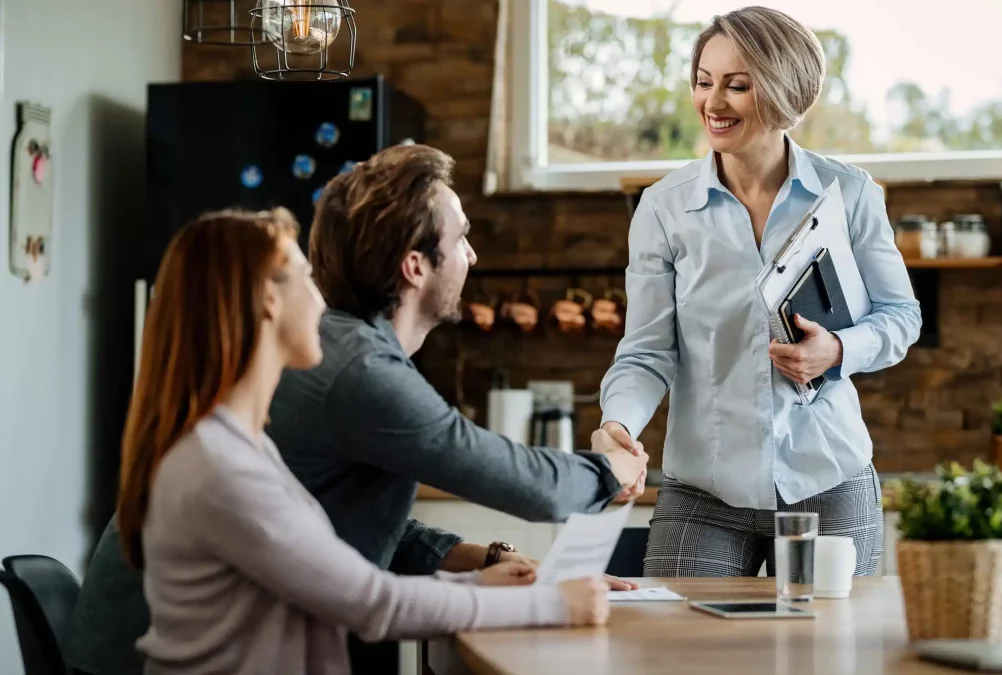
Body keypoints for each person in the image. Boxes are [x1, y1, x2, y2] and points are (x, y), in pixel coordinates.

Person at [64, 147, 648, 675]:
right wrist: (608, 472)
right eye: (461, 236)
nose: (473, 253)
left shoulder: (327, 374)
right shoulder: (355, 370)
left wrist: (484, 561)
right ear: (415, 266)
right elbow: (508, 481)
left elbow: (316, 533)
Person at [597, 6, 922, 578]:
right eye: (703, 82)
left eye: (737, 86)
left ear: (782, 90)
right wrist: (619, 422)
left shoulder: (849, 194)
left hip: (829, 478)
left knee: (829, 663)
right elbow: (647, 351)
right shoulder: (664, 209)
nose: (713, 103)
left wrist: (838, 350)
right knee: (679, 658)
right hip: (705, 489)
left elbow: (901, 316)